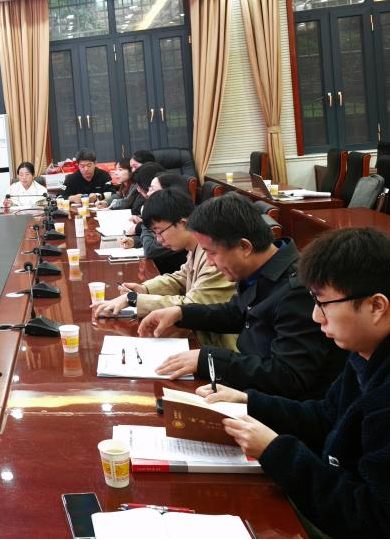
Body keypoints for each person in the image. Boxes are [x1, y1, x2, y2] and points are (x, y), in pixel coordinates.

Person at [194, 228, 389, 539]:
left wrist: (275, 451)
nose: (315, 316)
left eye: (323, 303)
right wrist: (248, 402)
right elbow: (326, 417)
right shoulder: (364, 353)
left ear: (376, 307)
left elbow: (371, 519)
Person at [138, 193, 346, 398]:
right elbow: (235, 312)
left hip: (277, 406)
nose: (210, 262)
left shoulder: (297, 292)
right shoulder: (259, 269)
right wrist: (180, 313)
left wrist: (209, 360)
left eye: (212, 252)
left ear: (244, 247)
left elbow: (289, 377)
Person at [92, 188, 238, 350]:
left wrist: (134, 299)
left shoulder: (214, 255)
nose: (158, 240)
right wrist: (145, 289)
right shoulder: (195, 248)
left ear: (183, 223)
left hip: (220, 349)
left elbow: (191, 305)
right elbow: (181, 277)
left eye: (159, 232)